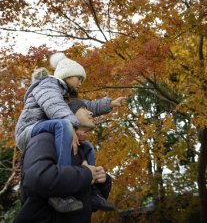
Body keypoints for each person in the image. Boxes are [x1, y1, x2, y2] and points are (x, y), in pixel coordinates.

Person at [14, 52, 126, 213]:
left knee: (87, 146)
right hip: (30, 128)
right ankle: (60, 191)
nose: (81, 82)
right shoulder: (48, 84)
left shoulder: (67, 96)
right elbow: (54, 105)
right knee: (64, 125)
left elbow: (88, 105)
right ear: (66, 74)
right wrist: (72, 125)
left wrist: (110, 104)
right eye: (78, 78)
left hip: (48, 126)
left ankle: (92, 191)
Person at [14, 98, 112, 223]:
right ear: (68, 113)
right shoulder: (45, 138)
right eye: (84, 109)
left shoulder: (84, 150)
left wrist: (102, 181)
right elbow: (38, 178)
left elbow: (87, 205)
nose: (91, 113)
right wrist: (86, 173)